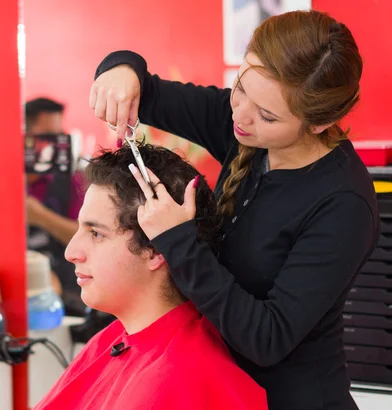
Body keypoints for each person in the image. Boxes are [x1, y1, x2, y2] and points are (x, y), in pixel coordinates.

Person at [89, 9, 379, 410]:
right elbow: (145, 90)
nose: (239, 115)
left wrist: (179, 242)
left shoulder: (343, 205)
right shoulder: (243, 122)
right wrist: (120, 69)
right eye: (240, 87)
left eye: (267, 115)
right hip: (220, 389)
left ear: (317, 123)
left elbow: (267, 338)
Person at [34, 144, 268, 410]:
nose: (71, 252)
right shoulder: (114, 339)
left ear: (157, 250)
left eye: (96, 233)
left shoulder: (184, 376)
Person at [25, 97, 86, 315]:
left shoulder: (72, 181)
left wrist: (41, 217)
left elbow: (87, 237)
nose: (55, 142)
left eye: (59, 134)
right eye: (47, 135)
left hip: (67, 299)